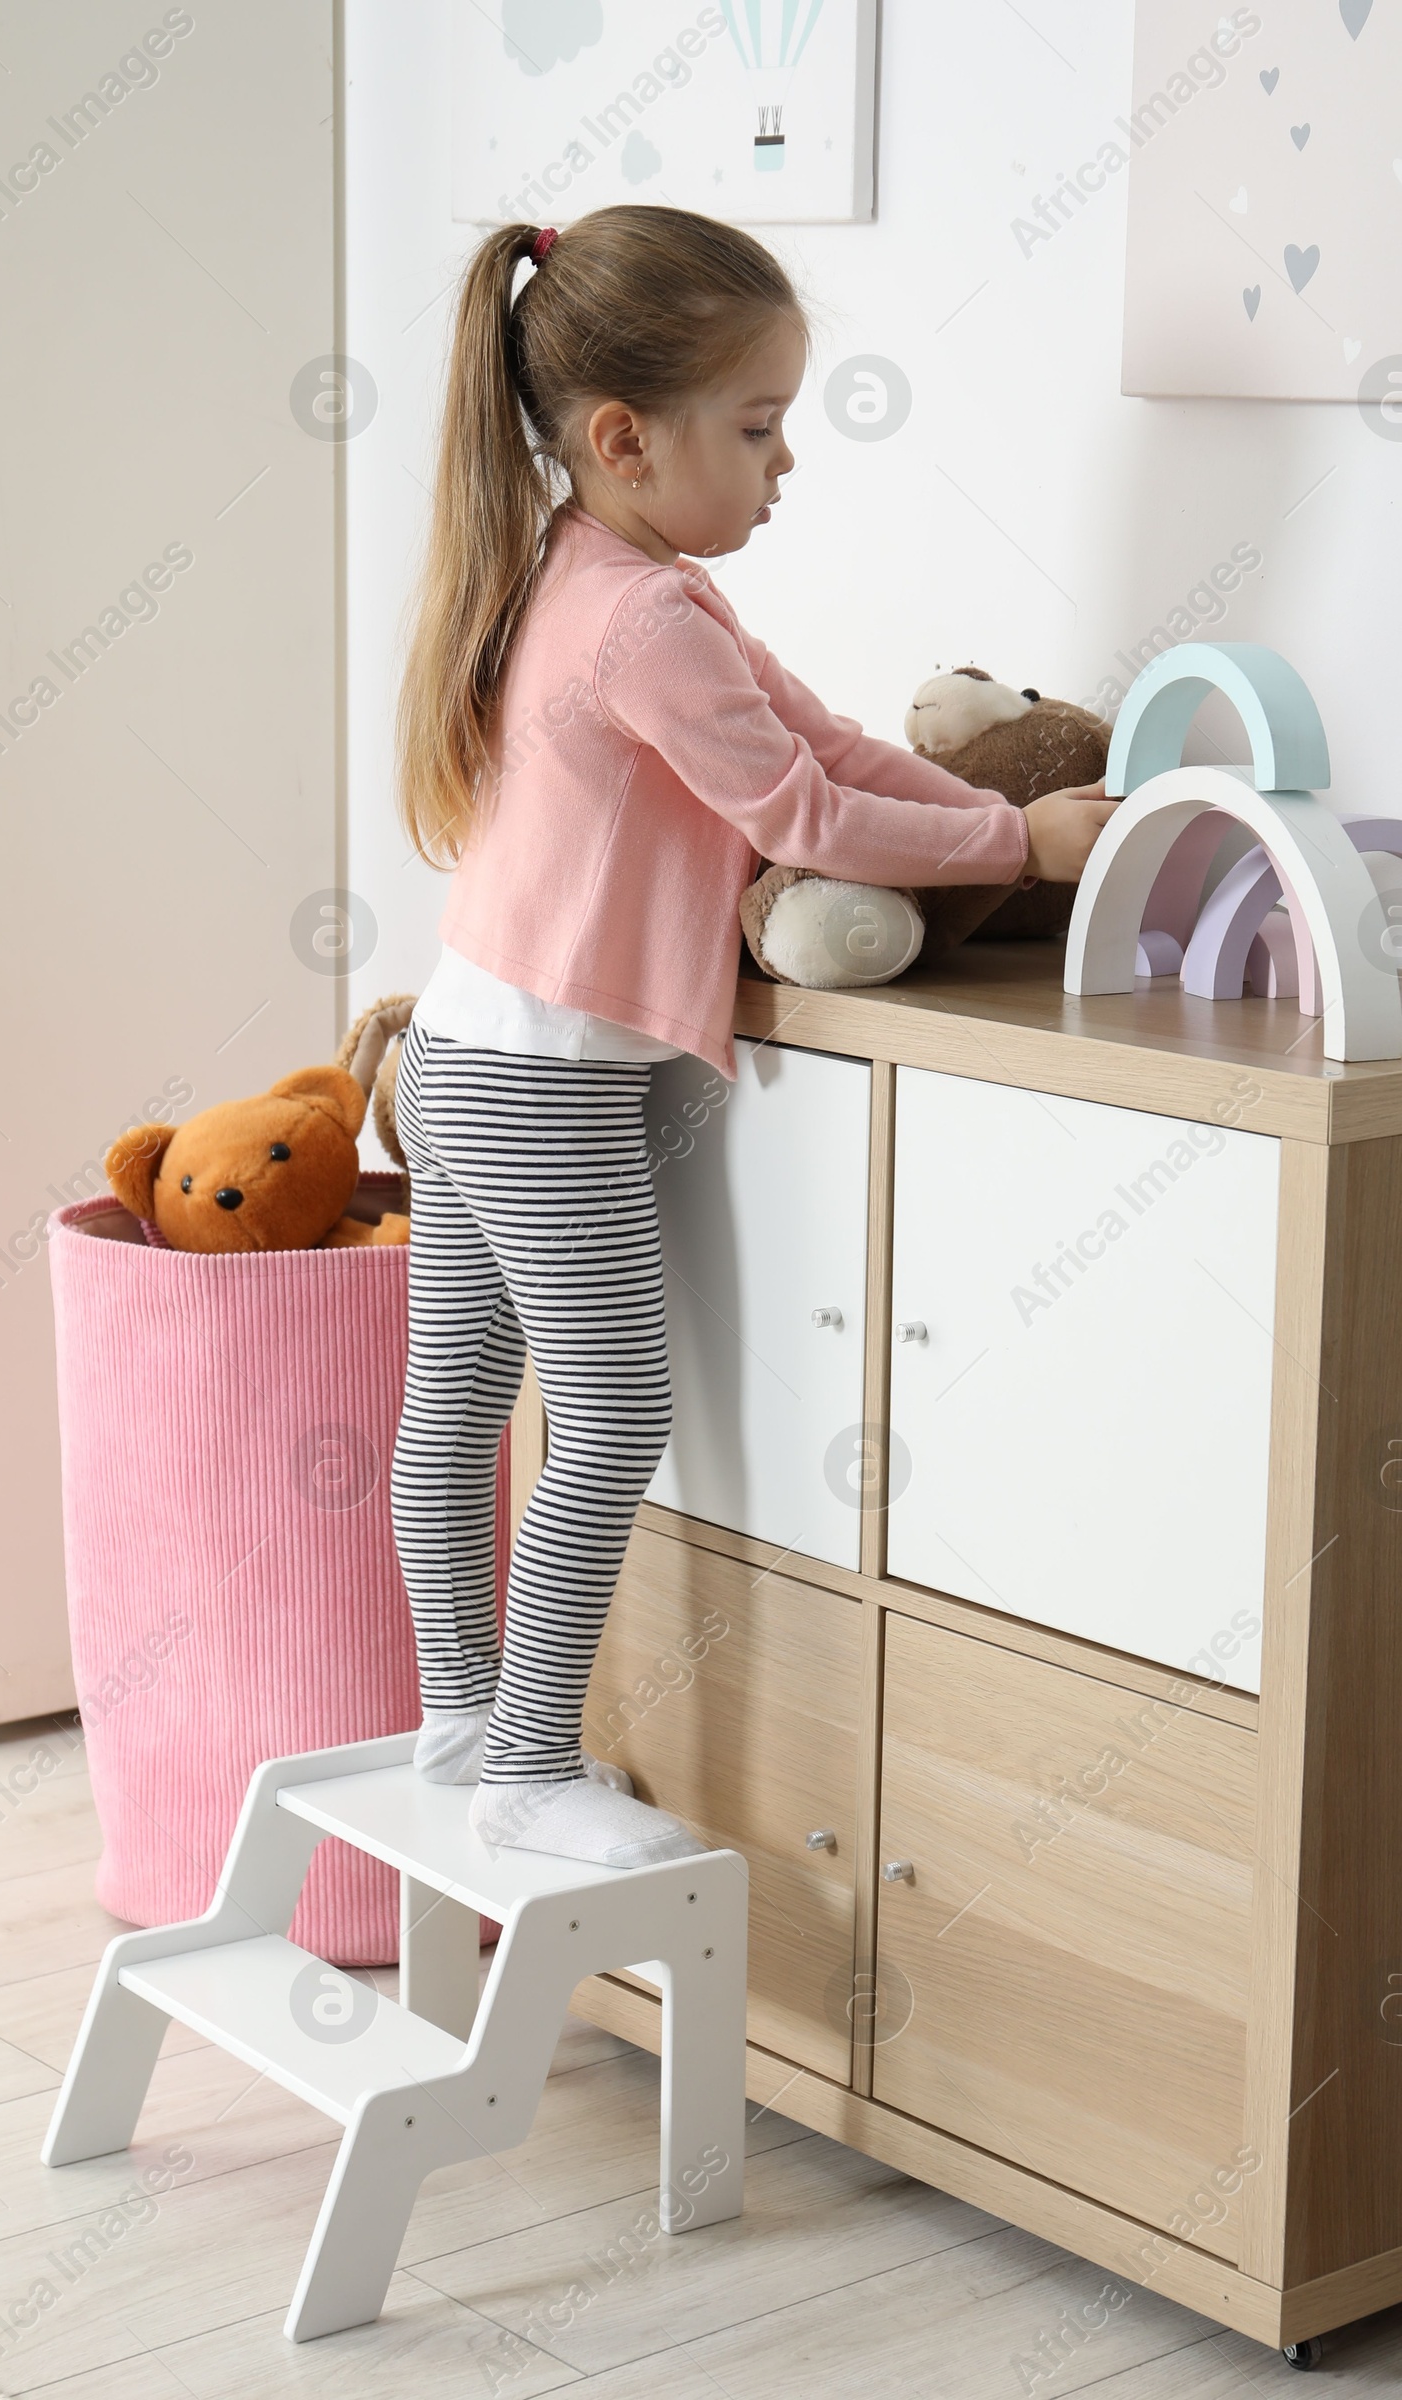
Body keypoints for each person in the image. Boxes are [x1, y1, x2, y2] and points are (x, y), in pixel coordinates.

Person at [389, 205, 1112, 1868]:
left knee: (458, 1395)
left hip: (465, 1055)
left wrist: (1004, 801)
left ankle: (453, 1717)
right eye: (761, 427)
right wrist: (1019, 852)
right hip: (548, 1085)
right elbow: (791, 801)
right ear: (627, 439)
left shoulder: (598, 571)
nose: (788, 465)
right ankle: (524, 1765)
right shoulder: (644, 619)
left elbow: (830, 737)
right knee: (610, 1410)